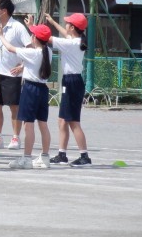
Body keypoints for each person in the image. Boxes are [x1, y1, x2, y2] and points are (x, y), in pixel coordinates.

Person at [0, 23, 52, 169]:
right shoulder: (48, 51)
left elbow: (10, 48)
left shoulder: (32, 53)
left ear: (34, 38)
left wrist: (0, 35)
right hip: (42, 89)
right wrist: (32, 26)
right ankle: (45, 157)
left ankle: (27, 158)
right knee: (43, 124)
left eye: (33, 34)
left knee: (28, 124)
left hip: (30, 88)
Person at [42, 12, 92, 167]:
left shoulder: (70, 44)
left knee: (73, 122)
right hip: (70, 81)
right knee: (62, 120)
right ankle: (62, 154)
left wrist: (32, 27)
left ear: (72, 27)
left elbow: (46, 38)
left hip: (72, 82)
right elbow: (65, 33)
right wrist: (52, 21)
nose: (66, 25)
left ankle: (85, 156)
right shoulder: (75, 40)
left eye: (68, 23)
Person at [0, 0, 31, 150]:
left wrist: (22, 66)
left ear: (4, 11)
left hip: (13, 74)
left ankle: (15, 138)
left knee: (14, 107)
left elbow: (30, 48)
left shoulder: (18, 27)